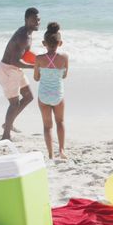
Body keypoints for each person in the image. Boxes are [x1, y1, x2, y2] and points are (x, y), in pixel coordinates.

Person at [0, 7, 40, 140]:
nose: (37, 22)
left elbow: (23, 56)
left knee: (28, 97)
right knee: (14, 104)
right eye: (34, 20)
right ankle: (6, 136)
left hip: (15, 69)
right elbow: (15, 61)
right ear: (26, 20)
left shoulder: (27, 32)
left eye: (38, 20)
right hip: (8, 70)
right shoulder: (23, 37)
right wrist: (36, 67)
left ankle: (7, 125)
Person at [33, 22, 69, 159]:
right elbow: (64, 75)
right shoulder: (64, 57)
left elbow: (36, 78)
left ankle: (50, 154)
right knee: (60, 122)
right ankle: (61, 150)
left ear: (44, 43)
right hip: (57, 95)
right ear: (60, 43)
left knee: (47, 126)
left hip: (43, 96)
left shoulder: (39, 59)